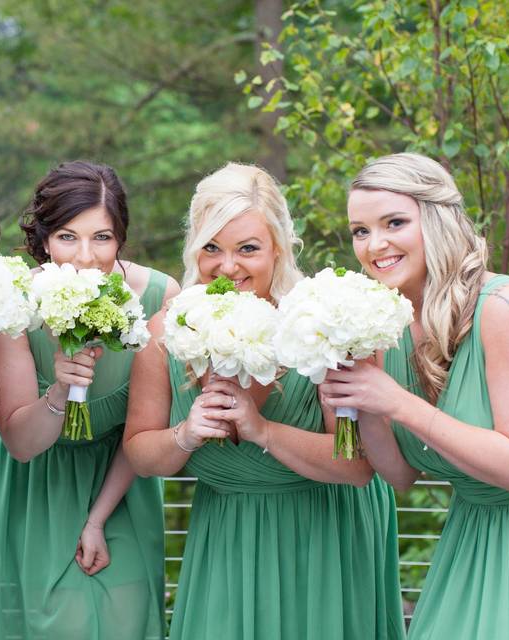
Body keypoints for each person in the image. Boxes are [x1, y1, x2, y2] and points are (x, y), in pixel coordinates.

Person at [124, 162, 405, 639]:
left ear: (278, 247)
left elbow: (357, 466)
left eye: (247, 249)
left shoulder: (326, 323)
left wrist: (264, 431)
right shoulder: (167, 329)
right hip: (227, 536)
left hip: (326, 537)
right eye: (212, 247)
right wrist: (185, 434)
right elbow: (140, 453)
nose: (227, 266)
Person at [320, 152, 509, 639]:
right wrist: (356, 399)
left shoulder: (508, 309)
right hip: (472, 540)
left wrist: (399, 402)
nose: (374, 245)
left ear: (437, 219)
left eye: (394, 222)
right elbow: (400, 475)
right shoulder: (386, 324)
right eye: (360, 230)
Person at [0, 161, 178, 639]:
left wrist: (97, 518)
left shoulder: (161, 296)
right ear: (42, 238)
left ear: (121, 237)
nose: (85, 257)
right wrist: (60, 387)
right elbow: (20, 442)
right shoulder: (13, 298)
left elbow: (141, 430)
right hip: (26, 485)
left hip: (121, 485)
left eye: (102, 238)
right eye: (66, 237)